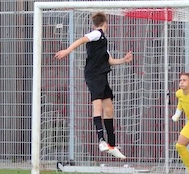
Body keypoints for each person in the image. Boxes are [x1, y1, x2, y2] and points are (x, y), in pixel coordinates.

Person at [54, 11, 133, 159]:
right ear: (105, 24)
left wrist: (124, 60)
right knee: (97, 106)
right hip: (93, 75)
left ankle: (111, 145)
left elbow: (110, 60)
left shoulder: (102, 42)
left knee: (109, 108)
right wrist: (67, 51)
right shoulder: (97, 34)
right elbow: (82, 40)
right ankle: (101, 140)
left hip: (102, 76)